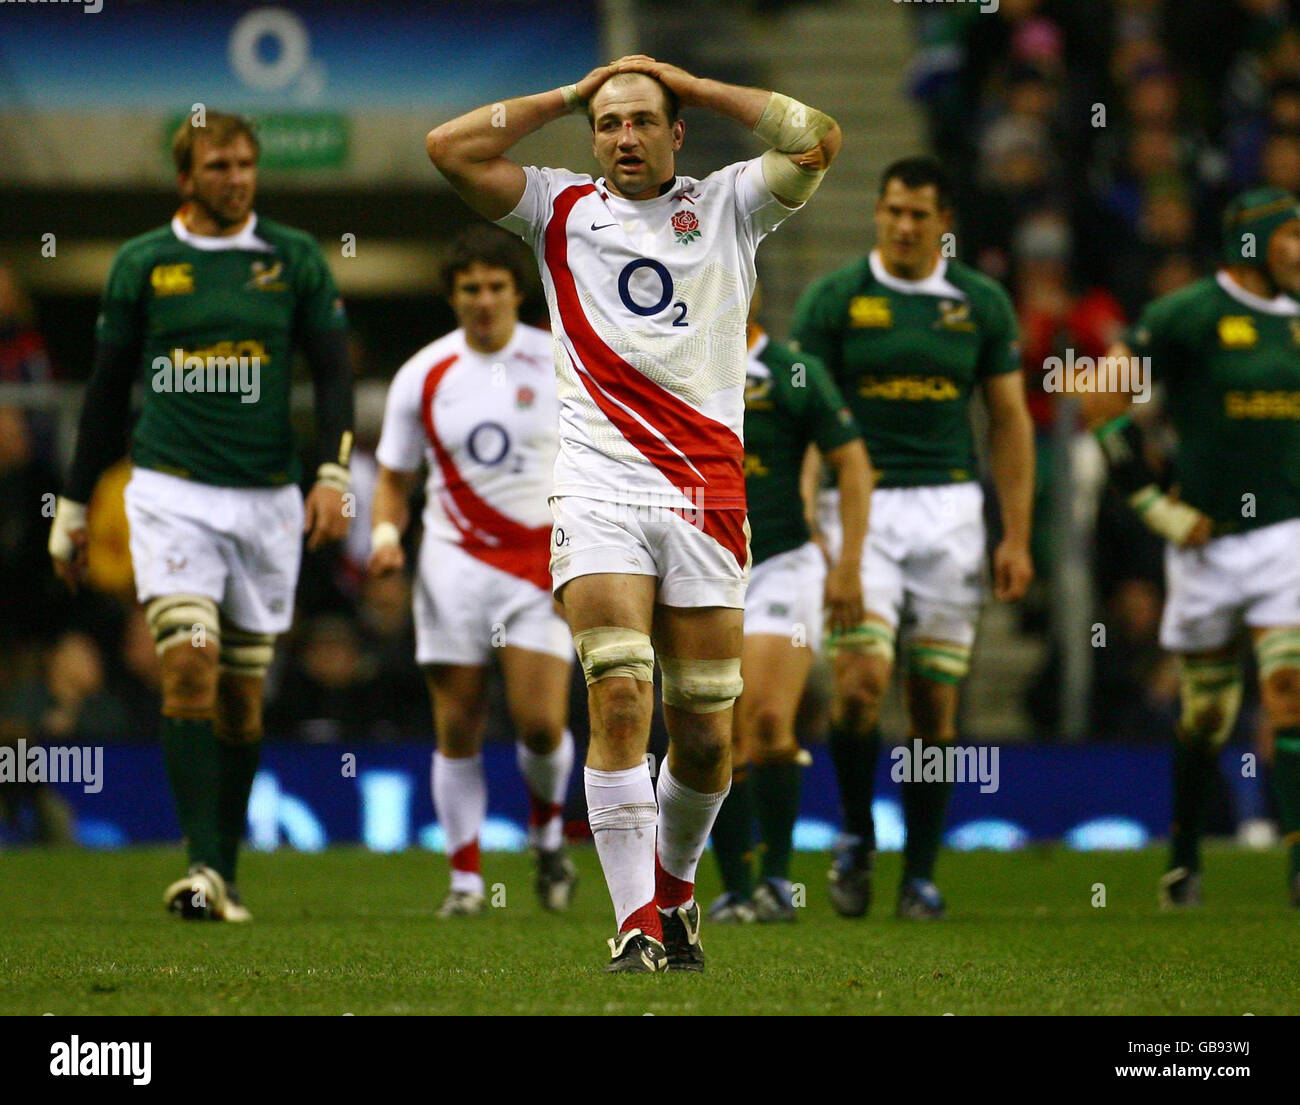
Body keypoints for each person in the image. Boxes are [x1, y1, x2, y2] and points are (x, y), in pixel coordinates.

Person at [427, 55, 840, 970]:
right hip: (599, 487)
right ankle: (635, 922)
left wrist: (688, 82)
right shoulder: (556, 207)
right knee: (618, 695)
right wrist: (567, 93)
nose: (625, 137)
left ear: (676, 131)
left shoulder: (731, 203)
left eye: (645, 120)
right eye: (608, 123)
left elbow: (817, 140)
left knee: (703, 729)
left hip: (705, 495)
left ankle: (680, 890)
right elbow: (447, 148)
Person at [47, 112, 354, 921]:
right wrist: (74, 506)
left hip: (267, 500)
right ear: (186, 177)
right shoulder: (144, 263)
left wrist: (331, 473)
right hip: (170, 492)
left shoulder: (294, 259)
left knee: (244, 699)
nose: (237, 178)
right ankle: (200, 868)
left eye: (247, 164)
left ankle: (224, 869)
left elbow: (331, 377)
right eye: (219, 165)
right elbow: (107, 394)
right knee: (189, 664)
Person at [791, 155, 1034, 920]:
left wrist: (1016, 535)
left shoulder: (979, 303)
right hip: (859, 509)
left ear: (944, 223)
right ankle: (859, 832)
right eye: (891, 210)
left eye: (918, 215)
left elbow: (1009, 422)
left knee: (933, 703)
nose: (902, 225)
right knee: (860, 686)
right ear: (878, 211)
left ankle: (921, 872)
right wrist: (807, 511)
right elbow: (804, 419)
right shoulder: (836, 299)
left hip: (952, 513)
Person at [1083, 187, 1300, 908]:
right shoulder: (1189, 315)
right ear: (1257, 242)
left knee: (1288, 692)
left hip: (1286, 535)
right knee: (1206, 714)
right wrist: (1153, 505)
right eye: (1291, 236)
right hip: (1205, 546)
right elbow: (1099, 400)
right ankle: (1184, 856)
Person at [368, 225, 579, 918]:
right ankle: (464, 881)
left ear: (518, 290)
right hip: (453, 563)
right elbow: (395, 479)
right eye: (470, 289)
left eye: (495, 286)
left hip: (541, 560)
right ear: (452, 296)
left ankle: (547, 836)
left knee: (541, 722)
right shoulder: (423, 374)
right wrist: (385, 534)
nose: (483, 300)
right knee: (457, 721)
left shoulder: (562, 362)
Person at [707, 294, 870, 924]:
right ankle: (734, 889)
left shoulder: (794, 370)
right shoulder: (674, 361)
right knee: (716, 731)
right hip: (703, 562)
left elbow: (851, 462)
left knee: (769, 720)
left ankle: (775, 881)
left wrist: (849, 563)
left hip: (781, 561)